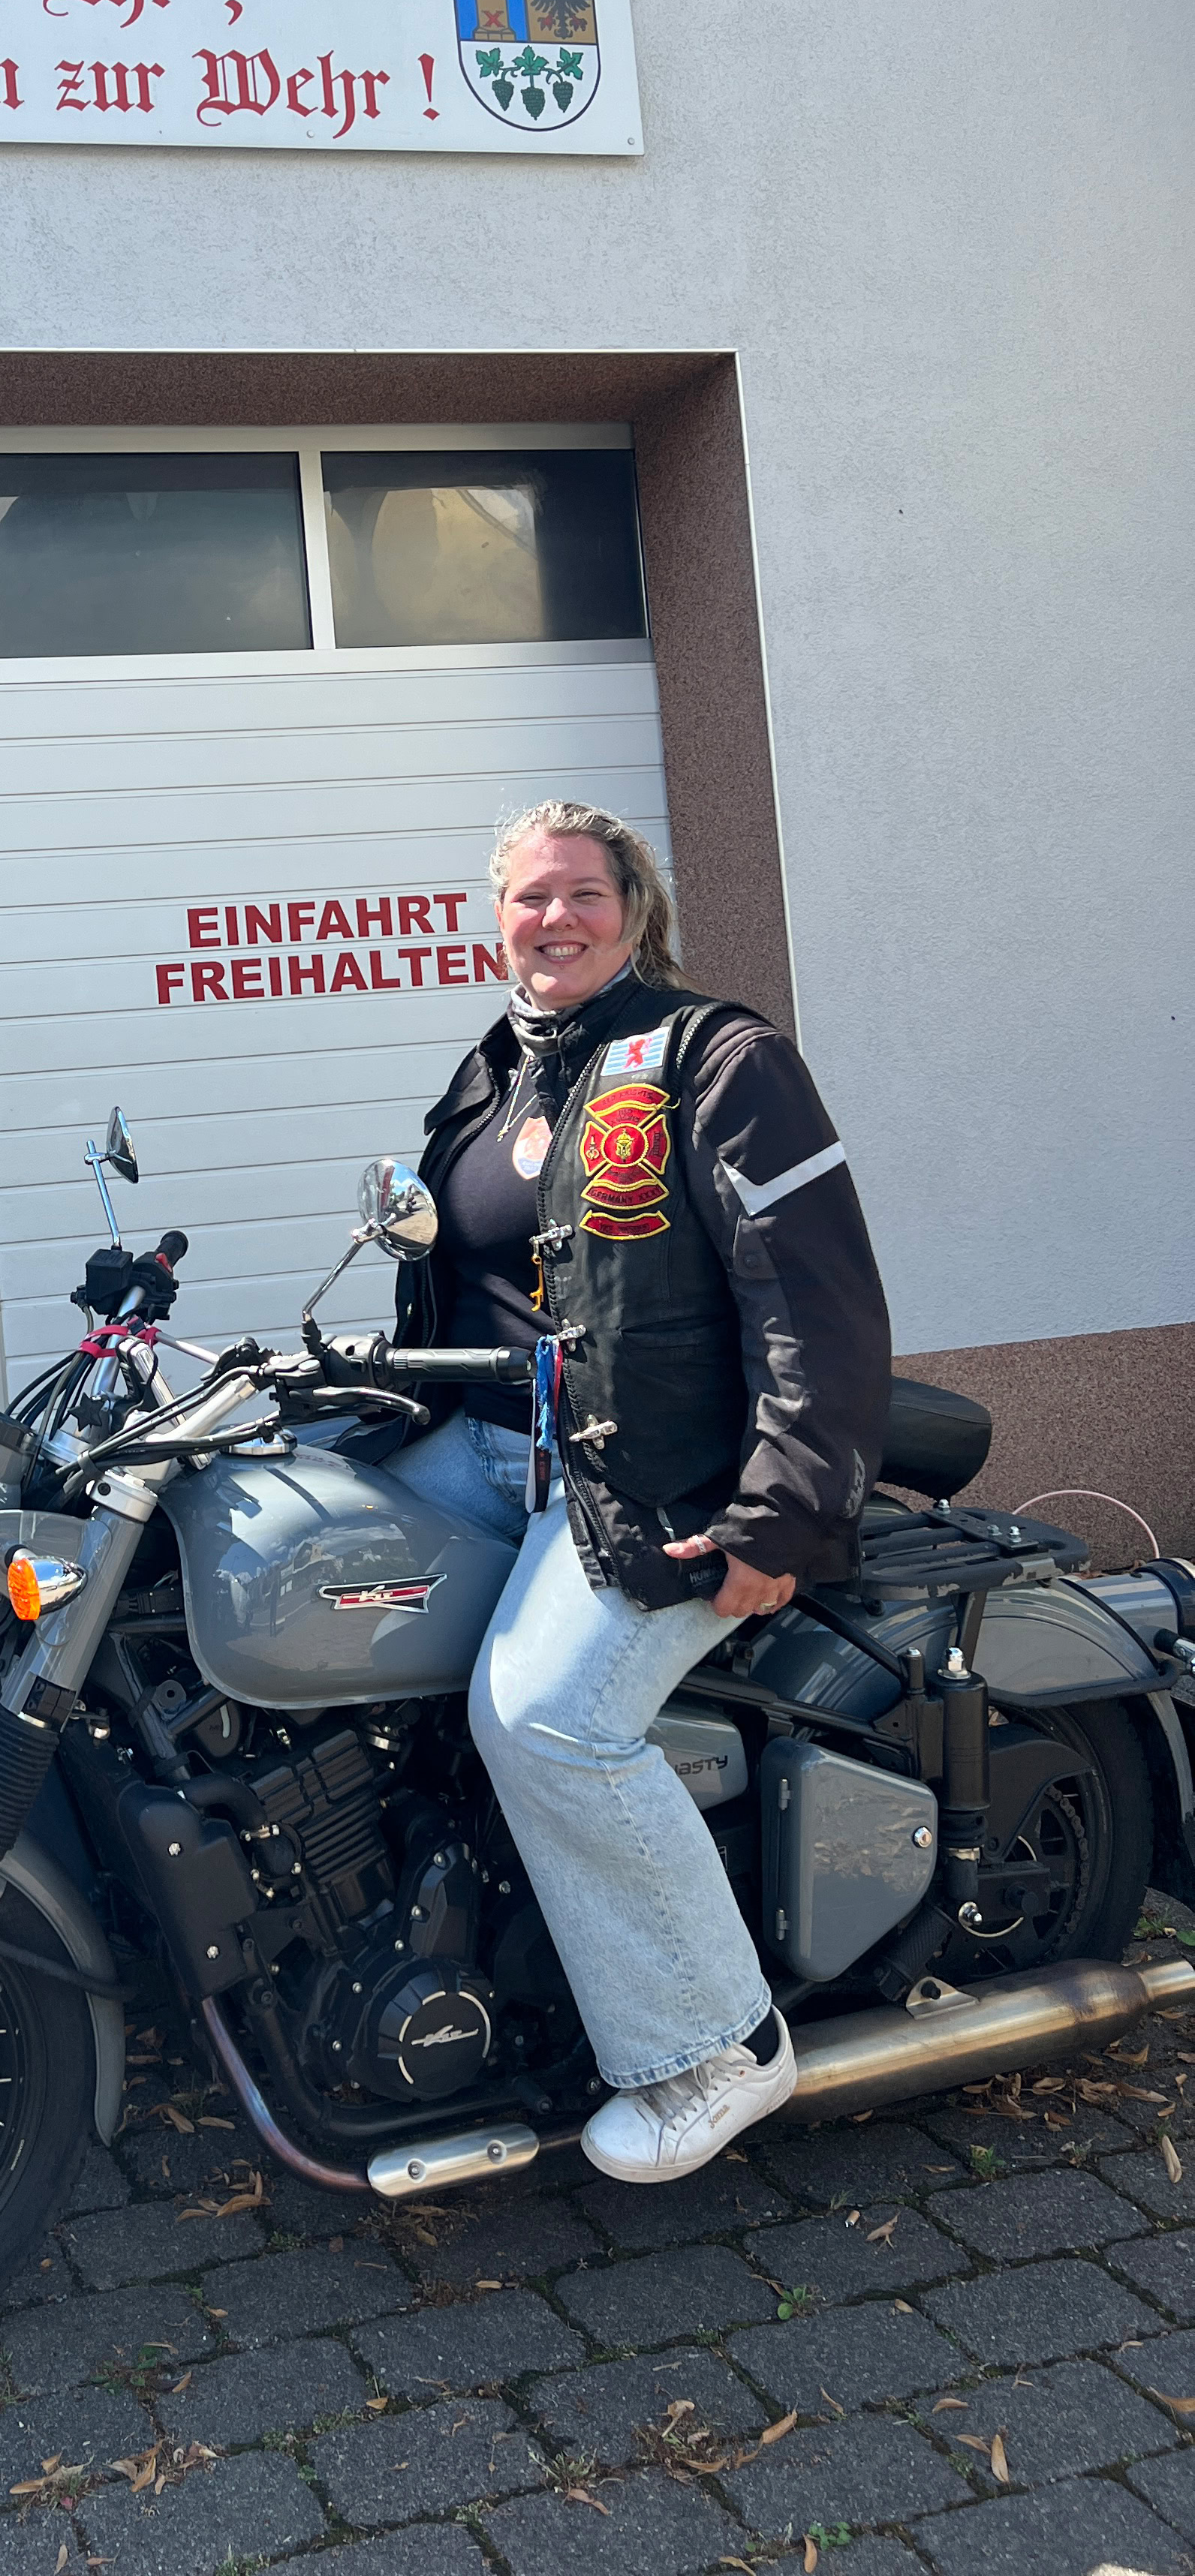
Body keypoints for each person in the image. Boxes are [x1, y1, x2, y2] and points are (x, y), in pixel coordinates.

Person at [388, 800, 890, 2182]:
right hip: (486, 1449)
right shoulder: (495, 1071)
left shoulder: (714, 1057)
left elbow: (818, 1301)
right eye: (529, 897)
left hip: (651, 1468)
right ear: (497, 919)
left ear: (634, 909)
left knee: (545, 1717)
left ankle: (719, 2045)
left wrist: (780, 1510)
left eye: (583, 894)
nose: (554, 918)